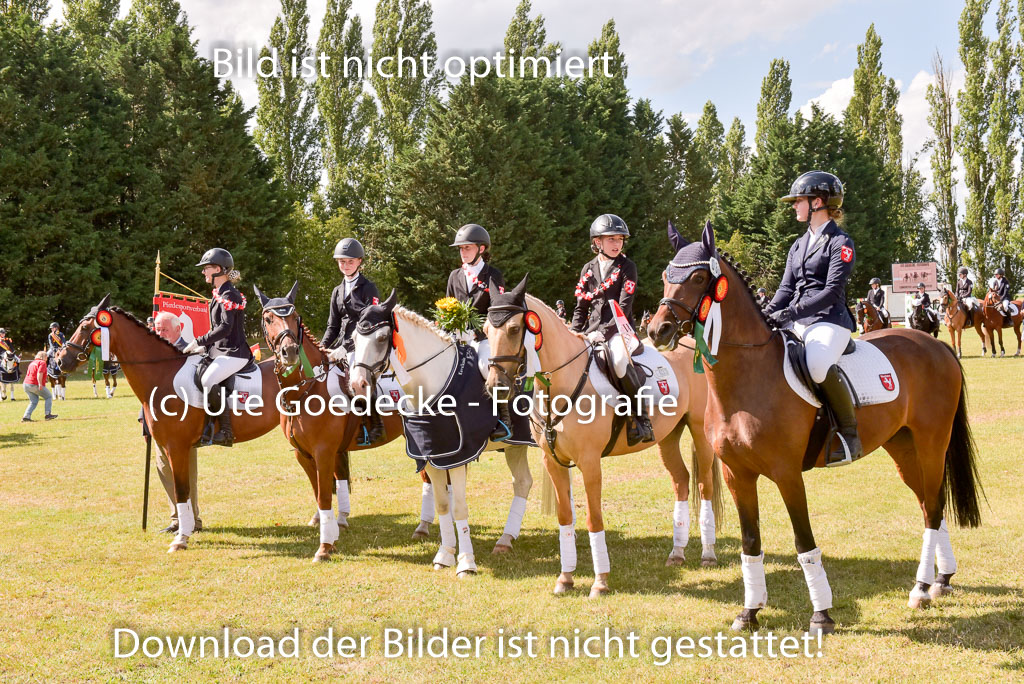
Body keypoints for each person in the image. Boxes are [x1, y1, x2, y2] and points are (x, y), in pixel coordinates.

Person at [765, 171, 860, 466]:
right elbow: (786, 289)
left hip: (830, 320)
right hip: (798, 320)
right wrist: (766, 313)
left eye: (799, 200)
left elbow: (832, 292)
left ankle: (850, 433)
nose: (794, 205)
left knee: (817, 365)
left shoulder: (840, 242)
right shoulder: (798, 245)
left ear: (817, 202)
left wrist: (790, 312)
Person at [571, 213, 654, 446]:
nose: (617, 244)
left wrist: (604, 333)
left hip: (620, 330)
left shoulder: (628, 267)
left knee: (618, 360)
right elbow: (581, 307)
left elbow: (623, 308)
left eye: (620, 239)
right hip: (591, 331)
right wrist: (573, 332)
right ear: (597, 242)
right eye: (611, 239)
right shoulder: (588, 269)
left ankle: (641, 419)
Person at [183, 248, 252, 447]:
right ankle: (204, 428)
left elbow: (225, 328)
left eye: (206, 268)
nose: (203, 272)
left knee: (208, 380)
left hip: (235, 353)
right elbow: (219, 331)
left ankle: (226, 431)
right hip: (221, 351)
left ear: (218, 269)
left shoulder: (230, 294)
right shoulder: (220, 293)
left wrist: (199, 341)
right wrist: (205, 348)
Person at [445, 223, 509, 439]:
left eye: (467, 248)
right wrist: (449, 331)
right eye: (461, 249)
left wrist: (476, 333)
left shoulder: (493, 275)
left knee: (486, 367)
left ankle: (503, 419)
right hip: (457, 338)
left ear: (481, 249)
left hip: (483, 338)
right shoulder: (454, 276)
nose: (463, 253)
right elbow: (448, 307)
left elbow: (497, 312)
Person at [143, 312, 201, 533]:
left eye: (164, 330)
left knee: (185, 473)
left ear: (178, 329)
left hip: (182, 426)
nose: (160, 334)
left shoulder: (189, 353)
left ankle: (192, 520)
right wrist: (145, 421)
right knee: (164, 470)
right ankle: (177, 518)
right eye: (157, 330)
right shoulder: (153, 356)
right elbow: (147, 391)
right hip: (158, 423)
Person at [322, 237, 385, 443]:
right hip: (340, 344)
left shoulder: (369, 288)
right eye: (342, 261)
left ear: (359, 262)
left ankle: (375, 424)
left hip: (364, 344)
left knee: (357, 380)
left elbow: (368, 323)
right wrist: (321, 347)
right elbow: (332, 326)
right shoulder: (337, 291)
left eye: (350, 261)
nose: (346, 265)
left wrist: (346, 347)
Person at [22, 351, 57, 422]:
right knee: (48, 396)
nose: (47, 358)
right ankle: (48, 414)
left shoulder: (32, 362)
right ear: (43, 357)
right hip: (34, 384)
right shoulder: (42, 363)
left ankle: (26, 417)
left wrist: (44, 379)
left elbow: (32, 373)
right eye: (46, 357)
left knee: (33, 401)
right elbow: (39, 373)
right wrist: (40, 383)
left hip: (26, 384)